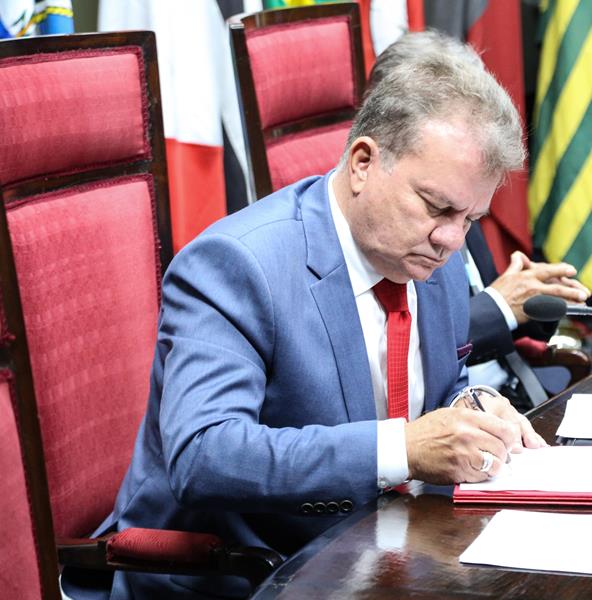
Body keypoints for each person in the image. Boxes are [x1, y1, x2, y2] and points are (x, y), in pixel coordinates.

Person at [70, 32, 545, 600]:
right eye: (437, 207)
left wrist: (474, 408)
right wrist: (404, 449)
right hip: (246, 576)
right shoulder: (237, 265)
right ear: (363, 163)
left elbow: (439, 390)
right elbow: (204, 455)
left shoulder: (426, 252)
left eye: (470, 218)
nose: (451, 240)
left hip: (390, 553)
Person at [367, 30, 591, 405]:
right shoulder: (378, 210)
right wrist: (500, 305)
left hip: (504, 396)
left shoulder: (462, 190)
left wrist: (532, 298)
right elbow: (391, 344)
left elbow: (480, 305)